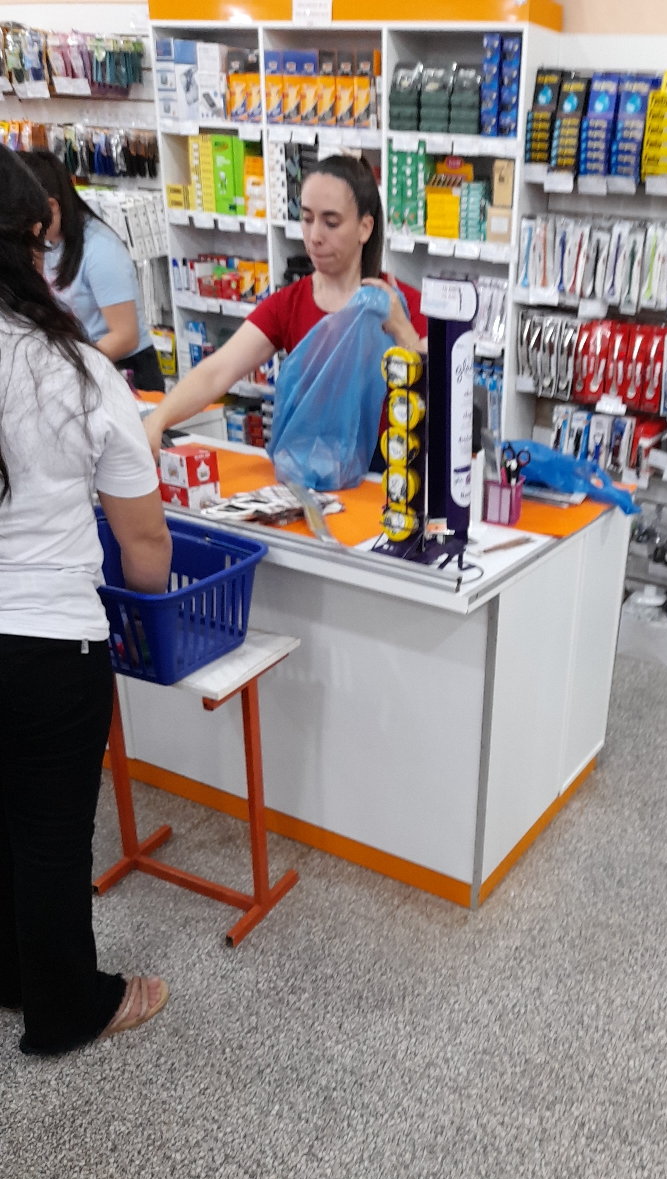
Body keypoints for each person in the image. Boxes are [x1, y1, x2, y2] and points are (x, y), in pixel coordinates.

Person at [0, 145, 173, 1056]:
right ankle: (68, 1005)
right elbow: (143, 543)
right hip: (47, 642)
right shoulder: (75, 370)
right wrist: (149, 604)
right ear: (37, 238)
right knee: (52, 835)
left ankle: (11, 975)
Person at [143, 154, 426, 461]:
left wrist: (402, 330)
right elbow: (218, 371)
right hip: (312, 472)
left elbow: (437, 401)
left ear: (365, 228)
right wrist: (158, 419)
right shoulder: (288, 304)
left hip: (389, 476)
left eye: (331, 223)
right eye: (307, 219)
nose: (315, 236)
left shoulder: (403, 304)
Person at [22, 149, 166, 393]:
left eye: (26, 220)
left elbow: (125, 336)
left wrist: (70, 367)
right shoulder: (49, 243)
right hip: (88, 365)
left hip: (127, 372)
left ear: (52, 206)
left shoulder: (101, 249)